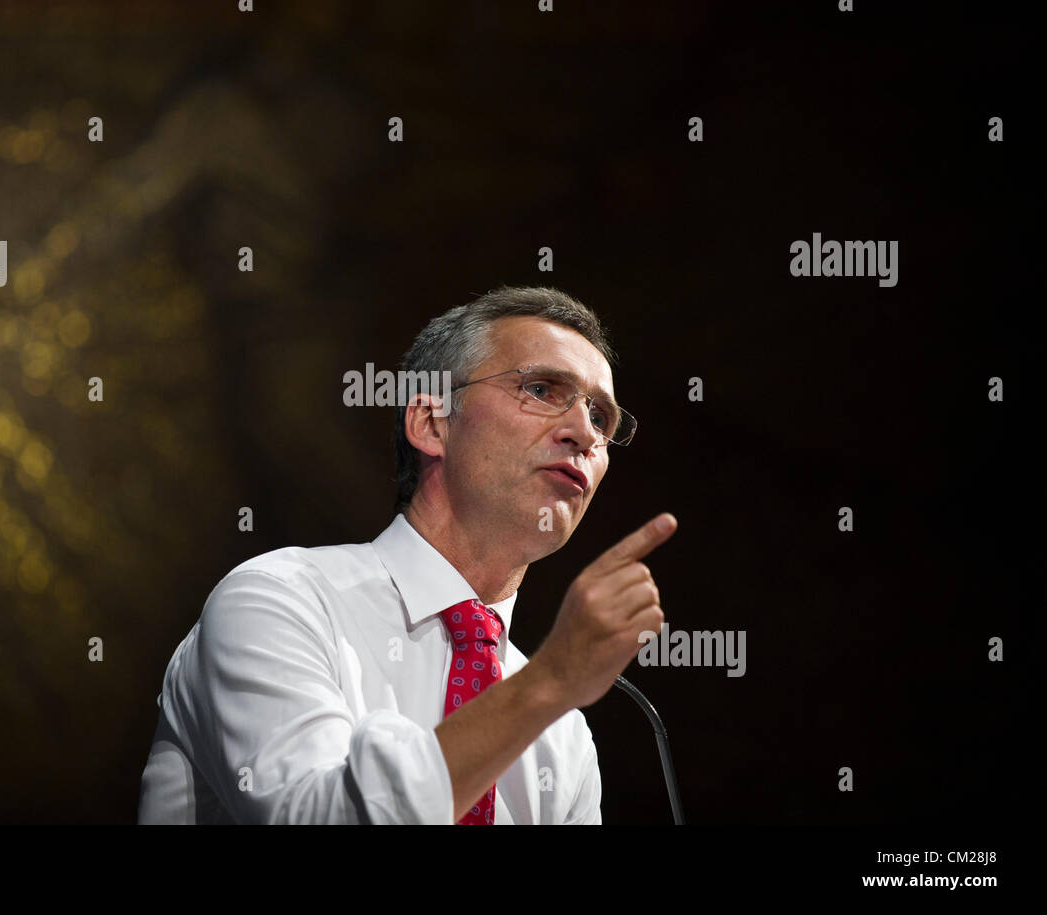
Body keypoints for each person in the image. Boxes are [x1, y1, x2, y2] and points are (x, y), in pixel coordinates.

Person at [137, 285, 677, 824]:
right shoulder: (279, 599)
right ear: (431, 422)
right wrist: (550, 683)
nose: (584, 432)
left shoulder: (563, 737)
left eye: (602, 419)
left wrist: (544, 690)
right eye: (540, 388)